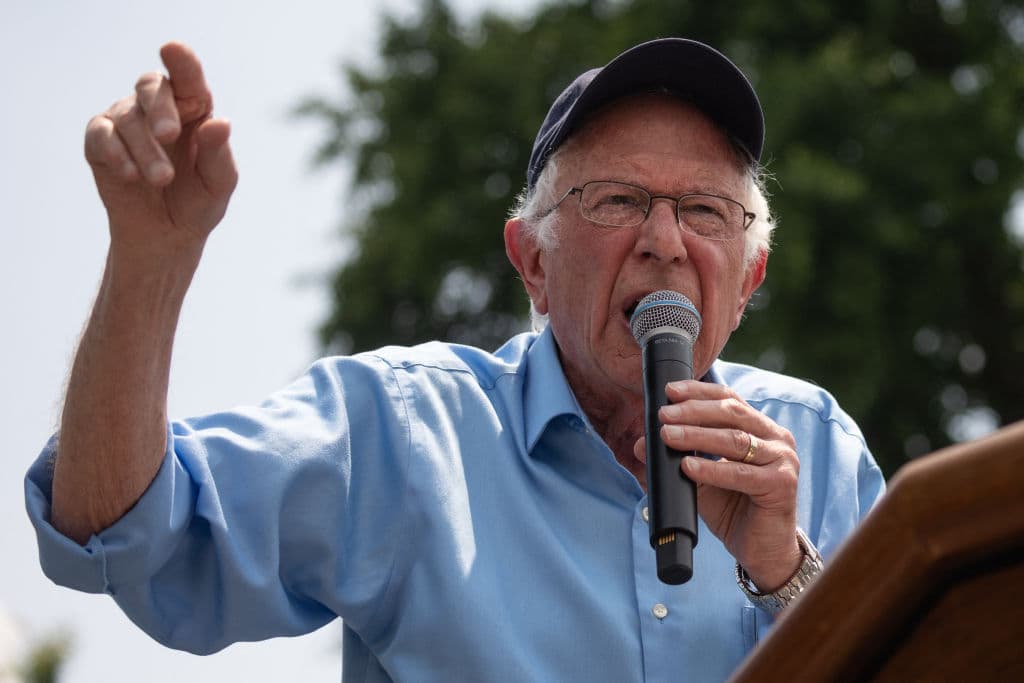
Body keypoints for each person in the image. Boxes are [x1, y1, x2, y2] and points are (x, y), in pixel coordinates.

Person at [26, 38, 884, 681]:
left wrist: (787, 576)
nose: (663, 240)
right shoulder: (403, 433)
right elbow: (122, 534)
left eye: (704, 211)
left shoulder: (819, 452)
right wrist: (150, 257)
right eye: (619, 199)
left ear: (747, 280)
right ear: (533, 263)